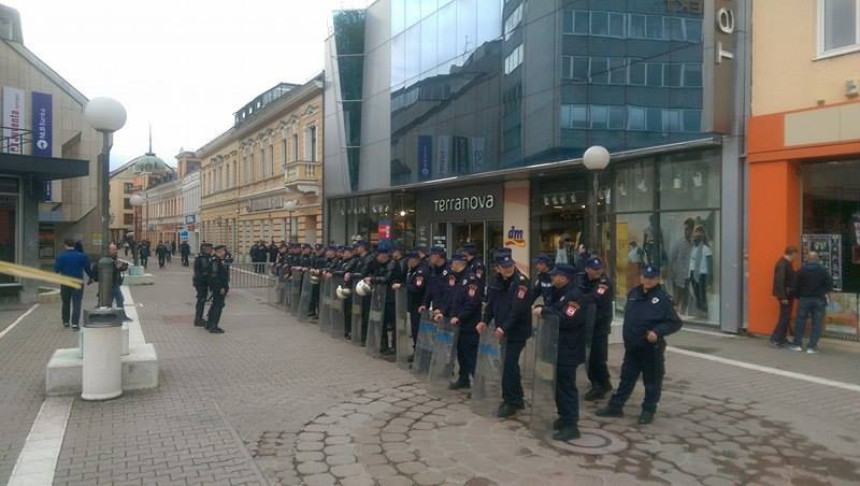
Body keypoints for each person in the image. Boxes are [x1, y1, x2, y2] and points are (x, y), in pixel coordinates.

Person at [596, 265, 683, 425]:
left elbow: (675, 323)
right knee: (626, 379)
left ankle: (648, 410)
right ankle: (616, 407)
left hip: (651, 349)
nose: (647, 280)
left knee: (652, 382)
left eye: (651, 278)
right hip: (633, 348)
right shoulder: (634, 293)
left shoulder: (663, 299)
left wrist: (657, 332)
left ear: (657, 279)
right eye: (645, 277)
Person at [532, 263, 591, 442]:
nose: (552, 277)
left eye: (556, 275)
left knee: (566, 387)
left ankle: (571, 425)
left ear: (565, 277)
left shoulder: (575, 296)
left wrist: (544, 311)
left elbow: (567, 319)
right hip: (555, 347)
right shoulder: (559, 292)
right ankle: (563, 417)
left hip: (568, 349)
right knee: (556, 385)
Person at [478, 254, 531, 418]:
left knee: (508, 364)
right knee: (510, 365)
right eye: (504, 267)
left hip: (517, 331)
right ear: (497, 268)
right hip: (503, 330)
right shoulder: (496, 281)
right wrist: (485, 321)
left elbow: (517, 310)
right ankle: (517, 397)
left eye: (510, 266)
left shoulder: (522, 282)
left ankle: (511, 401)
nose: (508, 269)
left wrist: (503, 328)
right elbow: (491, 304)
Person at [437, 253, 482, 390]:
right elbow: (451, 298)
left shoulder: (470, 279)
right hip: (457, 325)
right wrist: (442, 312)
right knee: (461, 353)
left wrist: (460, 317)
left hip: (468, 324)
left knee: (471, 356)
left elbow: (472, 303)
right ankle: (463, 379)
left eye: (453, 263)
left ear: (459, 263)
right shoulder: (456, 277)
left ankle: (479, 386)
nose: (451, 266)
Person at [581, 258, 614, 400]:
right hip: (586, 325)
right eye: (594, 269)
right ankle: (603, 383)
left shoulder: (604, 283)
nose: (597, 272)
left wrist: (578, 298)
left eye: (599, 269)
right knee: (588, 357)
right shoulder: (581, 279)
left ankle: (600, 385)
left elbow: (594, 298)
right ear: (587, 269)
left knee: (597, 358)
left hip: (599, 325)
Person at [789, 252, 831, 354]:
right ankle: (811, 347)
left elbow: (795, 286)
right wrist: (822, 293)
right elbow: (829, 285)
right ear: (817, 260)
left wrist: (798, 296)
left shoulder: (801, 271)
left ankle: (797, 344)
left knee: (800, 321)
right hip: (819, 299)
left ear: (807, 259)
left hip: (804, 299)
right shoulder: (823, 271)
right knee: (817, 323)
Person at [53, 238, 94, 330]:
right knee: (77, 302)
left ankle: (66, 321)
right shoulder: (82, 256)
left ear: (65, 245)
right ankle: (75, 323)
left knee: (65, 302)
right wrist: (91, 278)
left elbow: (56, 270)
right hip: (78, 282)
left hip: (65, 282)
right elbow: (87, 269)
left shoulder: (61, 256)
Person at [368, 244, 401, 355]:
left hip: (391, 297)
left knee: (393, 323)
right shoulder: (379, 264)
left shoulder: (392, 263)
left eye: (379, 256)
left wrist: (373, 279)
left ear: (384, 255)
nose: (378, 258)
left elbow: (387, 278)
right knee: (381, 322)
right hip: (381, 296)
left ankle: (395, 347)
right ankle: (384, 345)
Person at [398, 251, 426, 353]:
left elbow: (417, 288)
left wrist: (403, 286)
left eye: (410, 260)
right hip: (413, 304)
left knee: (418, 330)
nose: (408, 262)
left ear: (415, 259)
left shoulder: (420, 271)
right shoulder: (413, 270)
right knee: (414, 331)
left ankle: (419, 353)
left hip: (418, 304)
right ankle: (416, 352)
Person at [770, 246, 798, 347]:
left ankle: (781, 338)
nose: (796, 257)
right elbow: (779, 281)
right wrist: (783, 297)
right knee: (784, 317)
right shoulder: (783, 264)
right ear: (793, 253)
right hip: (785, 295)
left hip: (787, 294)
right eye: (795, 254)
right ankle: (776, 338)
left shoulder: (785, 264)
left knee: (785, 317)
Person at [667, 219, 695, 314]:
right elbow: (671, 259)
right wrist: (671, 274)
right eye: (685, 229)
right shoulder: (679, 243)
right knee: (676, 298)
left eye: (688, 229)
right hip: (679, 276)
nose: (686, 231)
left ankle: (683, 315)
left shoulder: (694, 244)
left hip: (690, 276)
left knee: (686, 298)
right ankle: (672, 316)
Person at [688, 226, 713, 315]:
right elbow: (691, 261)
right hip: (693, 273)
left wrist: (710, 280)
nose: (695, 236)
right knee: (696, 293)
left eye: (698, 234)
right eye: (695, 234)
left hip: (702, 274)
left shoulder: (706, 249)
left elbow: (710, 265)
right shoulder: (692, 248)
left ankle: (704, 311)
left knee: (702, 294)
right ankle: (699, 310)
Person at [205, 245, 230, 334]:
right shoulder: (216, 261)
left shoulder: (215, 260)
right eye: (223, 251)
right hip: (218, 288)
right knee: (218, 306)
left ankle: (209, 323)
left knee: (215, 305)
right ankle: (213, 325)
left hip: (216, 287)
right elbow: (215, 276)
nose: (224, 252)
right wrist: (221, 287)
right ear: (218, 251)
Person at [193, 243, 214, 327]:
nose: (211, 250)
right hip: (201, 283)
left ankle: (199, 318)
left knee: (202, 300)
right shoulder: (202, 258)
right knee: (201, 300)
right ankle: (198, 319)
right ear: (204, 249)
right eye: (209, 249)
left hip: (201, 282)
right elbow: (205, 271)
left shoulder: (206, 257)